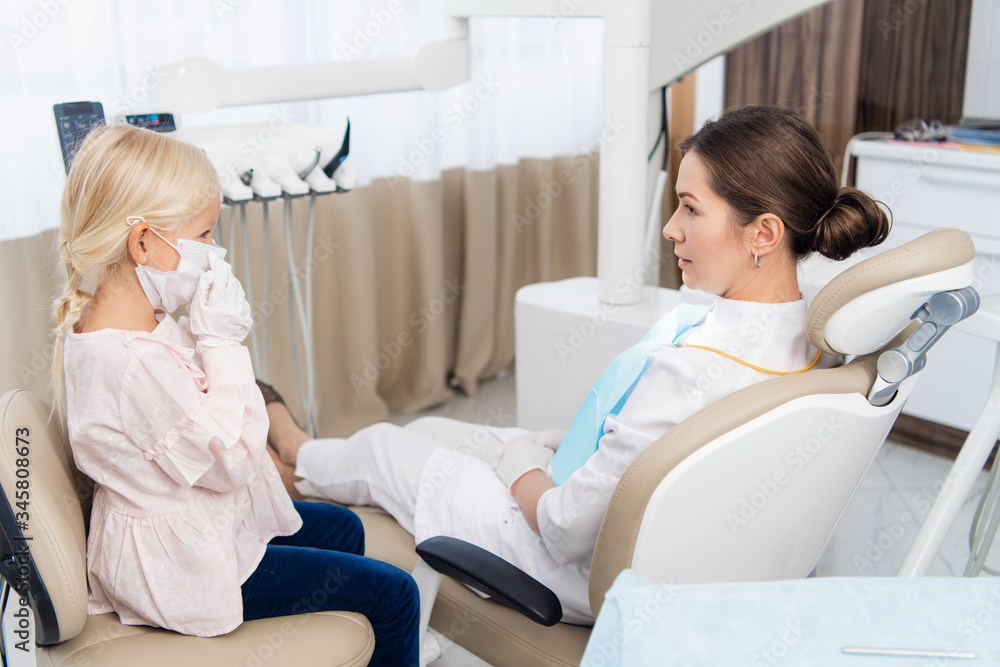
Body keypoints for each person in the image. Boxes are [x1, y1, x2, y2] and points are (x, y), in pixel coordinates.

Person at [265, 105, 892, 625]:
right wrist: (541, 450)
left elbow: (564, 529)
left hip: (566, 567)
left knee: (383, 449)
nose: (672, 230)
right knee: (428, 431)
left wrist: (518, 464)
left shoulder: (696, 367)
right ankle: (301, 469)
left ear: (763, 234)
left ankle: (290, 460)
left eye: (691, 209)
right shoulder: (811, 344)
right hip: (667, 546)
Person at [50, 124, 420, 666]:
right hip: (181, 566)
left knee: (343, 526)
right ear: (144, 242)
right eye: (204, 235)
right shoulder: (129, 363)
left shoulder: (137, 322)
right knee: (395, 596)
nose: (214, 250)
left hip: (196, 519)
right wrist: (220, 341)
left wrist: (206, 339)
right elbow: (234, 463)